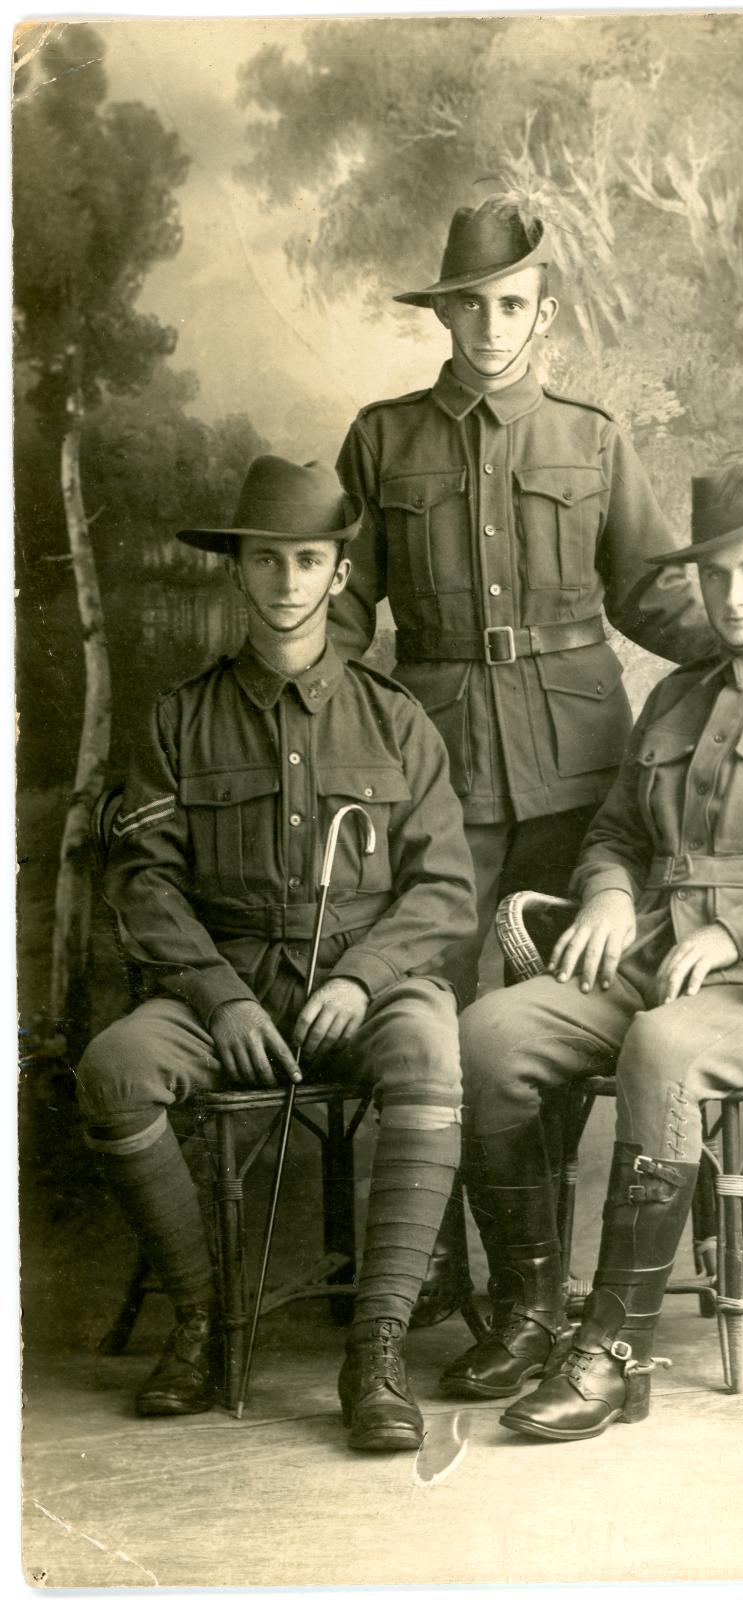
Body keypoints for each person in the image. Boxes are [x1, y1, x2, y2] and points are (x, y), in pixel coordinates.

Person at [447, 444, 743, 1440]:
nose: (735, 594)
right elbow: (618, 831)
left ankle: (615, 1352)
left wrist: (742, 931)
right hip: (656, 954)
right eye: (716, 573)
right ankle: (534, 1313)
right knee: (486, 1033)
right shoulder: (674, 697)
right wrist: (611, 895)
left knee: (663, 1048)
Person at [76, 456, 477, 1453]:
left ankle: (374, 1351)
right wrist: (220, 999)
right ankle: (207, 1325)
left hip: (365, 980)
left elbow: (445, 889)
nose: (289, 583)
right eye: (268, 561)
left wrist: (362, 977)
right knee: (113, 1070)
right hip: (234, 981)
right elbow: (145, 882)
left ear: (341, 575)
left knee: (432, 1051)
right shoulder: (181, 718)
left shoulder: (397, 722)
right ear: (239, 572)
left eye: (309, 561)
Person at [333, 195, 715, 1007]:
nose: (491, 325)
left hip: (578, 759)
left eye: (511, 304)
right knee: (424, 982)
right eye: (470, 302)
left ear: (544, 315)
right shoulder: (382, 439)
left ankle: (533, 1144)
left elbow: (651, 595)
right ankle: (449, 1141)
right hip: (437, 755)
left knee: (559, 988)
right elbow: (340, 610)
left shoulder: (593, 439)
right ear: (442, 309)